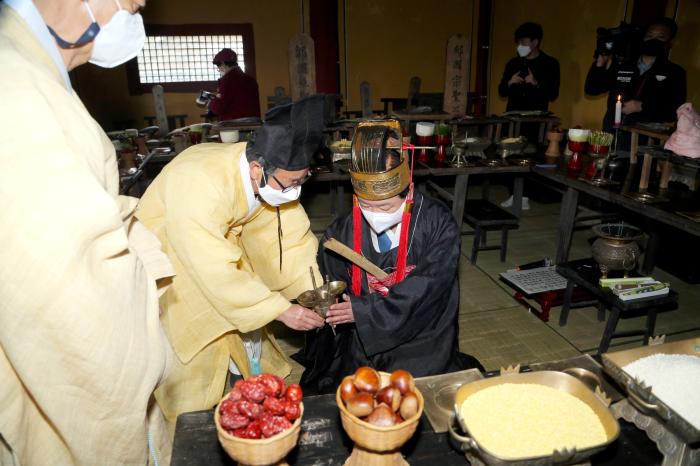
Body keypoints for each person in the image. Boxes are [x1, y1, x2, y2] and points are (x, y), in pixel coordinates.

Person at [0, 0, 175, 464]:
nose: (135, 13)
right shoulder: (16, 91)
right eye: (130, 3)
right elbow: (73, 303)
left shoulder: (37, 71)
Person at [136, 95, 327, 429]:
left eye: (301, 181)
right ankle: (189, 420)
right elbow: (213, 266)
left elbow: (288, 240)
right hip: (173, 248)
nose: (294, 191)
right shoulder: (200, 183)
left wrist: (316, 292)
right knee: (195, 332)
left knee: (247, 309)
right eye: (290, 182)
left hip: (214, 246)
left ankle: (245, 379)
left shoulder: (267, 178)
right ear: (257, 169)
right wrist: (280, 309)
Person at [293, 120, 482, 394]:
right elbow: (333, 281)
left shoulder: (438, 224)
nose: (374, 213)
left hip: (421, 334)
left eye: (384, 206)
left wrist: (365, 310)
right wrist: (327, 307)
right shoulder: (341, 231)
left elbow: (429, 288)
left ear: (408, 190)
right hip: (363, 337)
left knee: (416, 392)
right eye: (365, 204)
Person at [585, 17, 686, 135]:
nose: (653, 40)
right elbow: (592, 89)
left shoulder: (675, 72)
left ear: (670, 43)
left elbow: (674, 112)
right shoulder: (623, 65)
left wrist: (642, 107)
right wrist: (600, 63)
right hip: (611, 132)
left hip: (644, 138)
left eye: (660, 37)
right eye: (649, 35)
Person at [498, 22, 560, 112]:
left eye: (523, 42)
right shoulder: (513, 63)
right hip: (512, 118)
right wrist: (509, 83)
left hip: (537, 118)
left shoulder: (550, 64)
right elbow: (502, 92)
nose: (519, 46)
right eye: (518, 42)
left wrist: (536, 84)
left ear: (535, 42)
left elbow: (553, 95)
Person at [208, 48, 261, 121]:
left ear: (223, 63)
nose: (219, 69)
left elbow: (218, 108)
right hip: (254, 122)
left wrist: (211, 102)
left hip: (236, 123)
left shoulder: (228, 80)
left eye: (218, 65)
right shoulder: (250, 80)